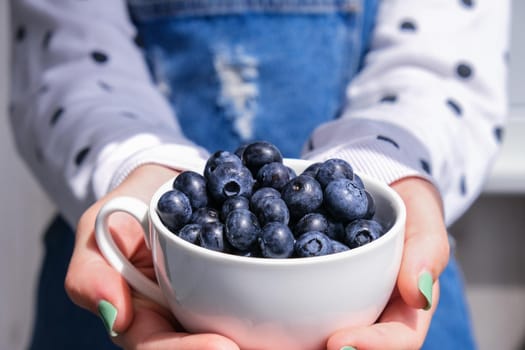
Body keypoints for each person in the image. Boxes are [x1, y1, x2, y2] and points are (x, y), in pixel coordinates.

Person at [9, 0, 511, 349]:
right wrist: (138, 167)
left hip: (386, 296)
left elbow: (443, 67)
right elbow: (66, 59)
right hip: (142, 275)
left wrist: (383, 163)